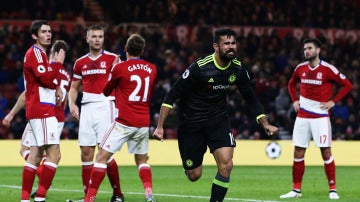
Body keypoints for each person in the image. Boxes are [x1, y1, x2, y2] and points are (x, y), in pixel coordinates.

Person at [152, 28, 278, 202]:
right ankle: (191, 164)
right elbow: (172, 95)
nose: (231, 47)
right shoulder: (200, 67)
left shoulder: (238, 69)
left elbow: (251, 99)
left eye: (233, 43)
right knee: (194, 175)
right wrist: (160, 126)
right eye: (226, 43)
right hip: (191, 123)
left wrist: (265, 123)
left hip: (217, 120)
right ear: (216, 47)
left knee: (226, 164)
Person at [84, 33, 157, 202]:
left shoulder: (120, 68)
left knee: (101, 157)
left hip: (124, 122)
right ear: (142, 50)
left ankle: (89, 199)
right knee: (142, 160)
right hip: (143, 122)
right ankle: (148, 193)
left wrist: (114, 70)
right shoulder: (152, 69)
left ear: (125, 49)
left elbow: (106, 91)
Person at [280, 38, 353, 200]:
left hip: (320, 118)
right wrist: (294, 100)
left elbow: (347, 85)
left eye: (310, 48)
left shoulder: (328, 69)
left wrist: (333, 102)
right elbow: (291, 84)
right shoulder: (300, 68)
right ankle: (296, 190)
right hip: (302, 117)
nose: (306, 51)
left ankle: (332, 189)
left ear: (318, 50)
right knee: (298, 151)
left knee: (326, 152)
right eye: (305, 48)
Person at [3, 39, 71, 198]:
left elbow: (28, 92)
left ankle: (40, 185)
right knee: (41, 155)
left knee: (34, 153)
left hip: (45, 114)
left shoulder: (49, 69)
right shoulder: (66, 74)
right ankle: (42, 184)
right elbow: (63, 98)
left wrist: (12, 113)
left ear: (54, 51)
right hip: (55, 117)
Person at [68, 24, 124, 202]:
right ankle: (87, 197)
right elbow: (74, 87)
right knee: (85, 152)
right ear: (87, 39)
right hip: (87, 107)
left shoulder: (113, 59)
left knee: (104, 153)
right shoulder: (80, 62)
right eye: (94, 36)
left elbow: (123, 85)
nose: (97, 39)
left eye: (100, 36)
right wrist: (72, 104)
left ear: (103, 38)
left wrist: (118, 70)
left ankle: (117, 194)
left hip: (106, 105)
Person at [20, 20, 66, 202]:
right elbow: (46, 78)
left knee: (35, 155)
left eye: (49, 31)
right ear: (34, 35)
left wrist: (56, 87)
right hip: (42, 110)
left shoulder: (42, 55)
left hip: (40, 108)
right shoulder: (36, 54)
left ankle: (25, 199)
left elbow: (45, 80)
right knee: (55, 154)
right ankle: (40, 197)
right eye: (44, 32)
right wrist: (58, 64)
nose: (48, 34)